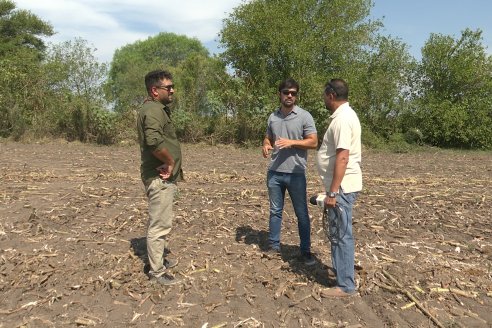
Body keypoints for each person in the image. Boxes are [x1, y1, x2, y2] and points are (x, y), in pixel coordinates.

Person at [262, 78, 318, 265]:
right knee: (275, 211)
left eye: (293, 93)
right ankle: (273, 246)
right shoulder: (273, 117)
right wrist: (265, 145)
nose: (290, 96)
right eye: (286, 92)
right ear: (279, 94)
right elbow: (268, 137)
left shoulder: (304, 116)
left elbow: (313, 142)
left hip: (296, 173)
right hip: (275, 172)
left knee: (301, 213)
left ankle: (305, 251)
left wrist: (292, 142)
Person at [316, 78, 362, 297]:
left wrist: (333, 192)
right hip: (339, 187)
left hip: (341, 188)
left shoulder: (343, 119)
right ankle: (342, 275)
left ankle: (345, 286)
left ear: (331, 95)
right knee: (337, 233)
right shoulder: (343, 116)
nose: (324, 99)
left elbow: (342, 157)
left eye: (325, 95)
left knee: (342, 234)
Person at [137, 69, 183, 285]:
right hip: (159, 177)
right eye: (168, 87)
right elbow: (154, 141)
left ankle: (158, 260)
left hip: (160, 176)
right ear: (155, 91)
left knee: (160, 221)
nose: (172, 90)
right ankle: (156, 273)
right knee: (160, 224)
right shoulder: (154, 110)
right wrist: (170, 162)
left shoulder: (156, 109)